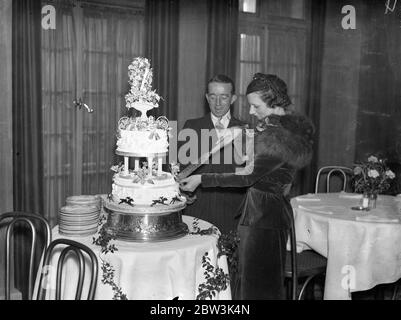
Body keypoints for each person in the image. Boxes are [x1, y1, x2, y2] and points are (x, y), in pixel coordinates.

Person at [180, 73, 314, 300]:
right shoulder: (277, 129)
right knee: (254, 283)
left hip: (264, 217)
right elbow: (253, 158)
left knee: (258, 288)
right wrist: (241, 134)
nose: (251, 112)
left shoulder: (280, 137)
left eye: (255, 106)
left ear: (274, 103)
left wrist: (201, 179)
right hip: (262, 213)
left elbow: (246, 176)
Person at [178, 74, 247, 234]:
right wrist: (180, 192)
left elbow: (248, 173)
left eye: (223, 97)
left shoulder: (245, 129)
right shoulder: (192, 126)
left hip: (232, 210)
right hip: (197, 208)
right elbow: (179, 169)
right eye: (213, 97)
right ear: (206, 98)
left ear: (233, 98)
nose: (217, 103)